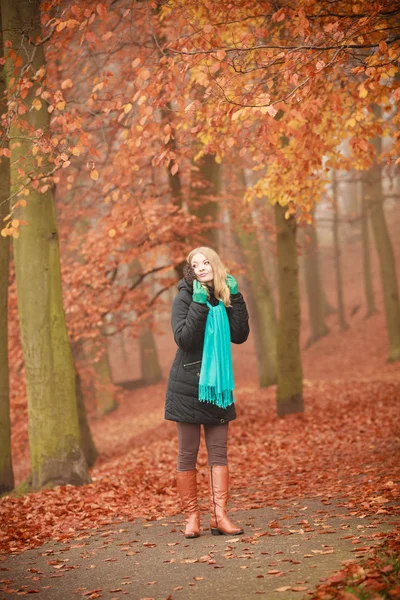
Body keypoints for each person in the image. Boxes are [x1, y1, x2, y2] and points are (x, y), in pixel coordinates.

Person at [165, 246, 250, 539]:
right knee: (187, 454)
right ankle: (192, 518)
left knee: (219, 453)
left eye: (205, 262)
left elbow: (240, 335)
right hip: (188, 386)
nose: (200, 267)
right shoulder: (184, 298)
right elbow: (184, 339)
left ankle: (219, 516)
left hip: (220, 387)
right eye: (194, 264)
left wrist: (235, 298)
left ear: (215, 265)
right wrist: (199, 305)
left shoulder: (225, 297)